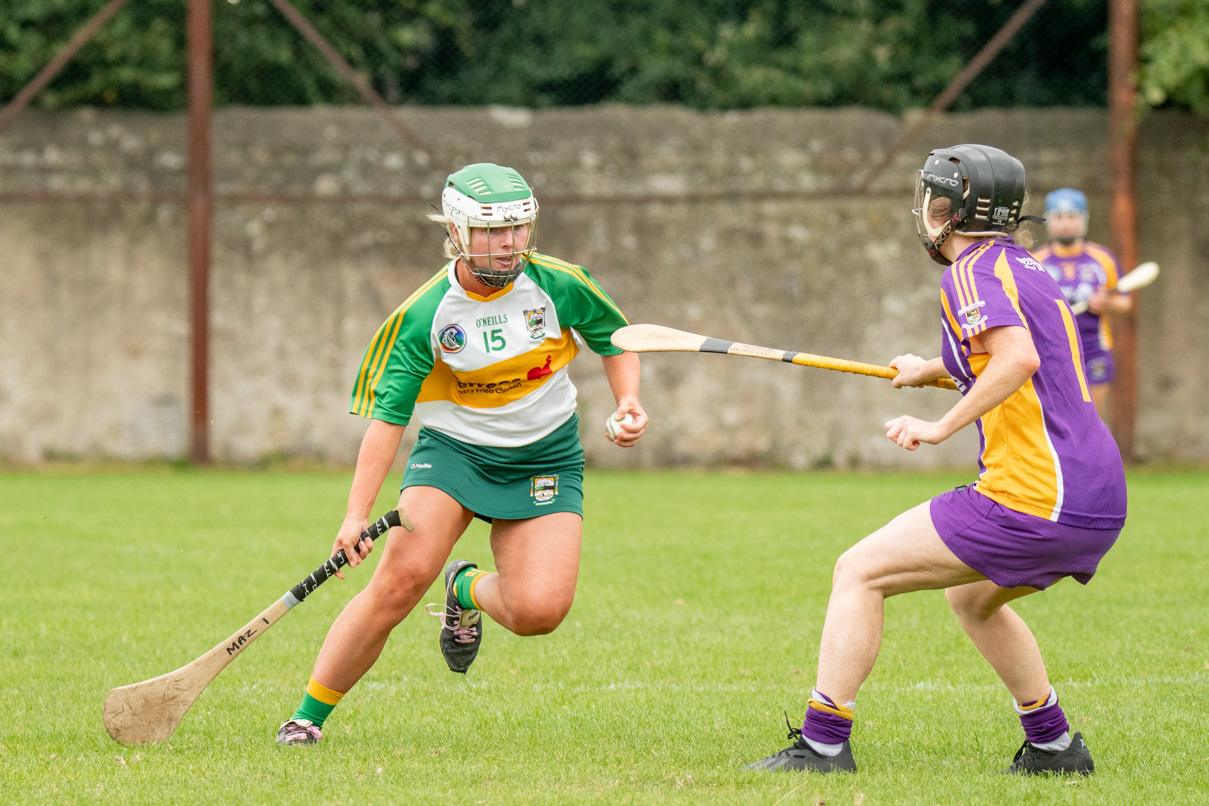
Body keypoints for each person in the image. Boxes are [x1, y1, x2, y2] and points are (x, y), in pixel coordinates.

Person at [745, 145, 1126, 775]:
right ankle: (1054, 745)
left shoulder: (969, 272)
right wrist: (930, 370)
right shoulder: (1024, 266)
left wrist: (941, 427)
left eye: (930, 198)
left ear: (947, 210)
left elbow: (1016, 362)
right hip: (1097, 496)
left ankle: (822, 744)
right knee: (974, 600)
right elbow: (1025, 363)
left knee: (859, 571)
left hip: (1034, 495)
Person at [276, 162, 648, 746]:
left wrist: (628, 402)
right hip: (455, 455)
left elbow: (617, 342)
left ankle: (465, 586)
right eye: (491, 231)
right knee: (398, 584)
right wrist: (356, 513)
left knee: (539, 613)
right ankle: (306, 719)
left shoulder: (560, 283)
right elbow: (388, 419)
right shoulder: (423, 315)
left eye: (519, 228)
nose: (509, 243)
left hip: (544, 458)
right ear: (457, 231)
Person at [1032, 188, 1131, 420]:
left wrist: (1107, 303)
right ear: (1049, 220)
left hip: (1094, 349)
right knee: (1056, 422)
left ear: (1083, 219)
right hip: (1049, 352)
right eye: (1058, 216)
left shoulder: (1102, 258)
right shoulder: (1034, 262)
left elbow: (1125, 302)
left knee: (1090, 422)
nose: (1066, 223)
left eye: (1072, 216)